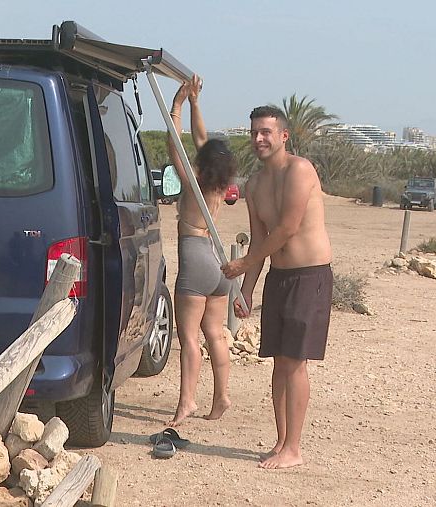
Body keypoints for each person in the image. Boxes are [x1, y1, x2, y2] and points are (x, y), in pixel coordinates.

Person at [221, 105, 333, 469]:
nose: (259, 139)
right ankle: (282, 441)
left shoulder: (300, 170)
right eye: (254, 132)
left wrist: (242, 264)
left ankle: (294, 449)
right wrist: (246, 289)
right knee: (278, 362)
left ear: (284, 136)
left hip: (309, 276)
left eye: (266, 132)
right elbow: (260, 239)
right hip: (278, 277)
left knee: (295, 362)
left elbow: (287, 228)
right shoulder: (254, 185)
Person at [166, 76, 238, 427]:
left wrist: (177, 106)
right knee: (215, 333)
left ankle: (187, 402)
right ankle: (221, 395)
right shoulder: (220, 183)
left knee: (189, 337)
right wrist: (196, 103)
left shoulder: (193, 181)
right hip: (217, 258)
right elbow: (201, 140)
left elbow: (174, 143)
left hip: (195, 256)